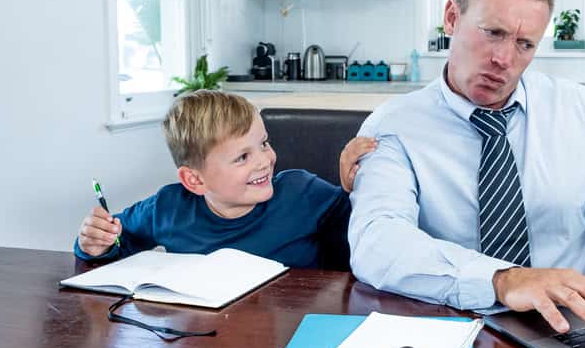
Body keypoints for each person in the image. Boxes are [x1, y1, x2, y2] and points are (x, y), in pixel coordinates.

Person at [348, 0, 585, 333]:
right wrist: (502, 280)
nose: (503, 59)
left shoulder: (580, 110)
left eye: (525, 45)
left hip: (571, 327)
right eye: (493, 32)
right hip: (448, 324)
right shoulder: (394, 125)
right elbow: (377, 242)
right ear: (452, 17)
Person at [75, 89, 374, 268]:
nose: (264, 161)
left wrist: (354, 188)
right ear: (194, 181)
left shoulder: (301, 192)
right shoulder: (166, 207)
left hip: (288, 328)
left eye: (264, 144)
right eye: (242, 157)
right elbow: (115, 238)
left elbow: (367, 227)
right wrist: (94, 242)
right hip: (208, 338)